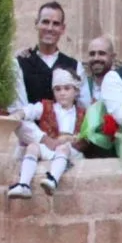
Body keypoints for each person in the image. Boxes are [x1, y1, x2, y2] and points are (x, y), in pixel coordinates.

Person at [11, 66, 87, 197]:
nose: (62, 93)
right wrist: (21, 113)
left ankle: (53, 179)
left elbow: (85, 137)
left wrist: (69, 139)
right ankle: (24, 185)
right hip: (50, 148)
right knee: (32, 146)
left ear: (76, 91)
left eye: (67, 88)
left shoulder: (82, 113)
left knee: (63, 148)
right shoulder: (47, 106)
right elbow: (32, 110)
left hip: (70, 151)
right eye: (58, 89)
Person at [16, 0, 76, 107]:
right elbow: (17, 106)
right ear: (36, 24)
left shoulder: (75, 66)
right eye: (45, 22)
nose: (50, 28)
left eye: (56, 24)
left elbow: (83, 107)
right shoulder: (20, 63)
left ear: (63, 28)